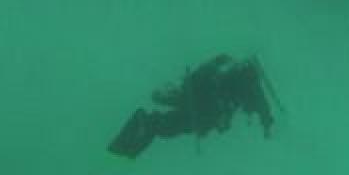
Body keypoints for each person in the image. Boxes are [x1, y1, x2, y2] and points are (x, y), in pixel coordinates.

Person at [108, 54, 277, 158]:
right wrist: (267, 123)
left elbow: (260, 107)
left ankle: (127, 144)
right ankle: (128, 141)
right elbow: (260, 106)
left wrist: (266, 123)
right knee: (165, 124)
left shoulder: (240, 80)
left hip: (200, 107)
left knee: (163, 125)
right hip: (200, 104)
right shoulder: (244, 83)